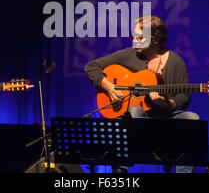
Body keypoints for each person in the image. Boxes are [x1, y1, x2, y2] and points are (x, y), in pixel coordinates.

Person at [84, 15, 199, 173]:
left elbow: (184, 97)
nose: (134, 40)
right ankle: (120, 172)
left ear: (155, 40)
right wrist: (109, 87)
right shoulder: (130, 55)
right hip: (141, 117)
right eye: (134, 35)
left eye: (139, 37)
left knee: (192, 118)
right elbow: (91, 67)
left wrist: (168, 103)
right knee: (134, 111)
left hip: (167, 117)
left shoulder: (175, 61)